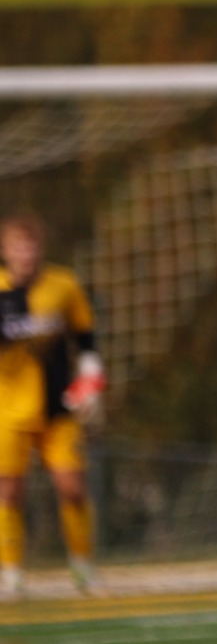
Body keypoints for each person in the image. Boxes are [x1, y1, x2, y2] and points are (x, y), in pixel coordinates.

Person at [0, 214, 106, 599]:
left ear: (40, 249)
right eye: (18, 247)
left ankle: (83, 569)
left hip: (59, 408)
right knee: (9, 493)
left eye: (31, 246)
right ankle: (11, 573)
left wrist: (91, 380)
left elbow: (85, 336)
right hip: (8, 410)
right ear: (6, 251)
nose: (25, 254)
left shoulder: (62, 285)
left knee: (73, 488)